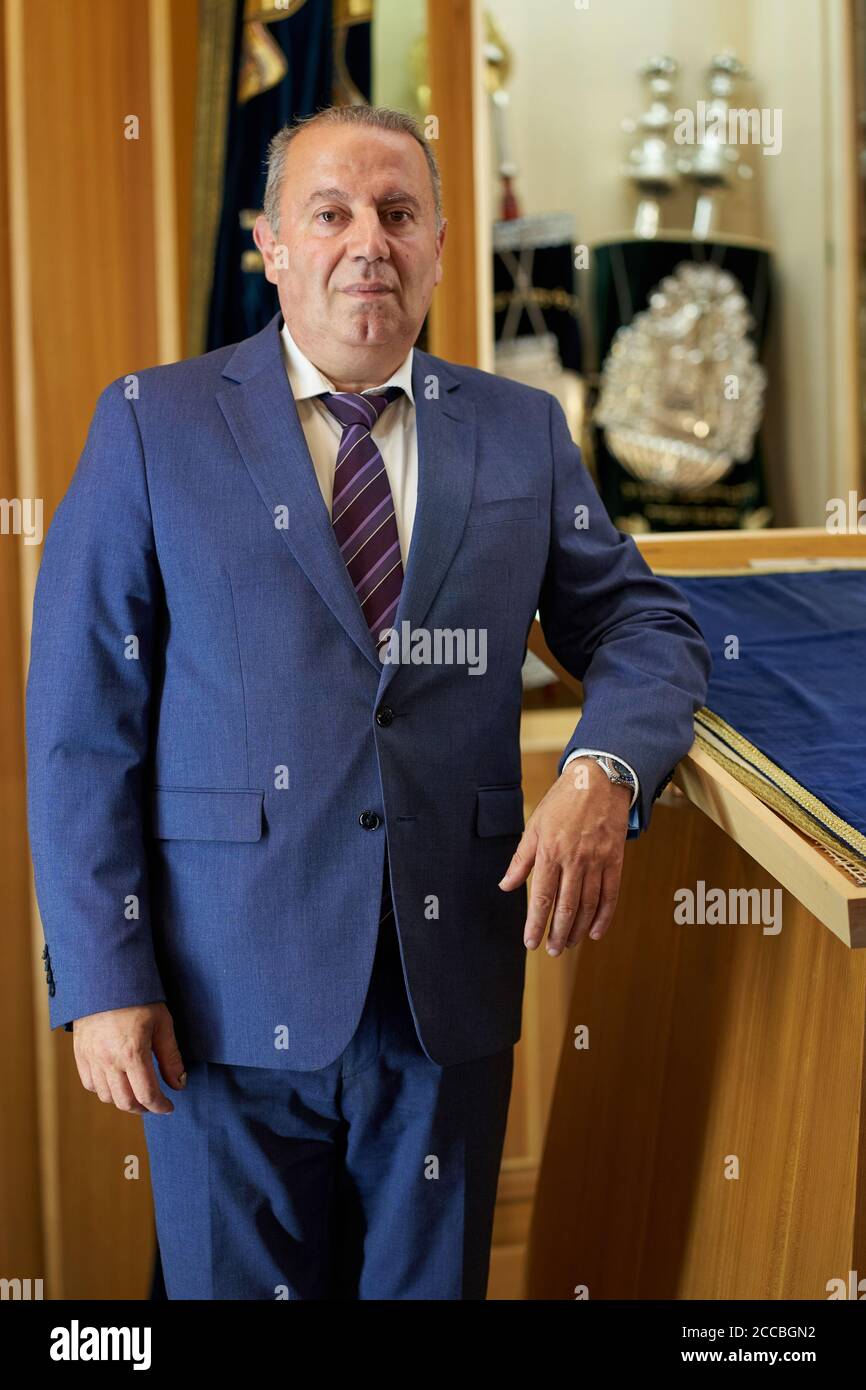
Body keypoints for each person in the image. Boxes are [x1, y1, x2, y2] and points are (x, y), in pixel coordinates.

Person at [25, 104, 711, 1299]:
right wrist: (101, 978)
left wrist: (603, 772)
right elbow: (81, 722)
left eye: (398, 213)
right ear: (271, 245)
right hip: (213, 1001)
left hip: (444, 993)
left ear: (442, 240)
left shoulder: (520, 432)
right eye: (329, 214)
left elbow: (644, 625)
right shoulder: (152, 425)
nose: (368, 242)